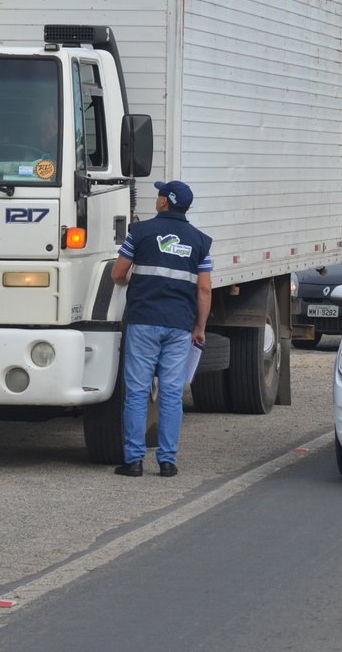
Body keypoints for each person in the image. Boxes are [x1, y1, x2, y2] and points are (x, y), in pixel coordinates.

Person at [111, 180, 212, 477]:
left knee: (138, 391)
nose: (155, 198)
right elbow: (204, 289)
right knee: (171, 393)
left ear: (165, 201)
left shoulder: (140, 233)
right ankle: (167, 461)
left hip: (143, 321)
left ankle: (133, 461)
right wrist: (200, 327)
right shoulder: (200, 242)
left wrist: (132, 281)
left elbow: (118, 273)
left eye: (158, 194)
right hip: (179, 325)